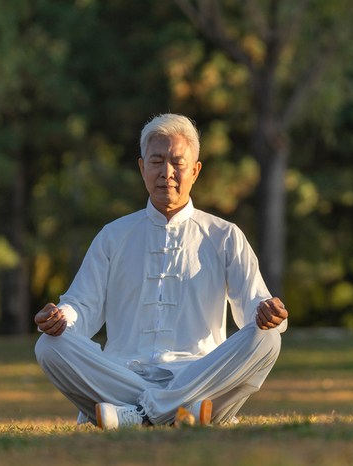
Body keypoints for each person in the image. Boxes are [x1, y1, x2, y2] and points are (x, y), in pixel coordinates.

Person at [34, 113, 288, 429]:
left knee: (268, 341)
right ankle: (183, 414)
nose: (166, 172)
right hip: (123, 375)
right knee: (48, 346)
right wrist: (61, 317)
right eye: (156, 161)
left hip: (198, 375)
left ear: (195, 171)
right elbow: (81, 306)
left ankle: (135, 416)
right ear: (142, 168)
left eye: (177, 163)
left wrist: (271, 315)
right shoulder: (113, 235)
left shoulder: (225, 235)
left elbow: (255, 307)